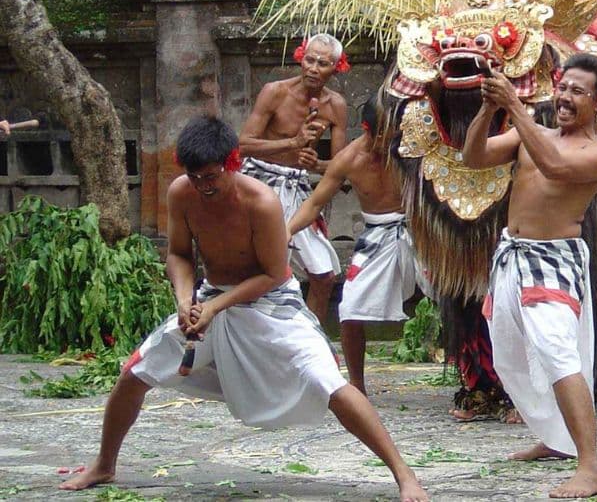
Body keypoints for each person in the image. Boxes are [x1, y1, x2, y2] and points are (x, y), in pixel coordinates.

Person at [59, 116, 427, 501]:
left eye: (211, 176)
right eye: (195, 176)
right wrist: (186, 301)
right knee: (134, 372)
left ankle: (404, 476)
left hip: (273, 303)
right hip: (210, 296)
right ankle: (104, 463)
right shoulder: (181, 193)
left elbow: (272, 274)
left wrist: (216, 306)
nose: (204, 186)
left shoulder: (262, 202)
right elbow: (179, 255)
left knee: (331, 384)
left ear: (232, 162)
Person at [462, 53, 597, 498]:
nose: (565, 97)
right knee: (511, 354)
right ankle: (556, 439)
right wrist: (490, 110)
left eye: (577, 91)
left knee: (556, 350)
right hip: (512, 256)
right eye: (562, 87)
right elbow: (473, 158)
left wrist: (513, 106)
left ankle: (591, 468)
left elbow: (556, 168)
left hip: (555, 260)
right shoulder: (533, 134)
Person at [288, 99, 427, 394]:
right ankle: (357, 387)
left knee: (460, 298)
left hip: (421, 230)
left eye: (395, 134)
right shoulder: (349, 159)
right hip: (377, 235)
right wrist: (284, 232)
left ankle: (480, 381)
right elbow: (314, 203)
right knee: (349, 308)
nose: (391, 141)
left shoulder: (412, 148)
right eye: (385, 135)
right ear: (368, 130)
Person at [239, 33, 350, 320]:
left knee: (324, 275)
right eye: (310, 60)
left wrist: (317, 163)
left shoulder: (335, 105)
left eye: (322, 63)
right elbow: (243, 145)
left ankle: (311, 339)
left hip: (298, 188)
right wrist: (292, 143)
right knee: (262, 271)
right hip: (260, 183)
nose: (314, 68)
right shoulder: (275, 92)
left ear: (335, 68)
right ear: (300, 58)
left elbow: (339, 165)